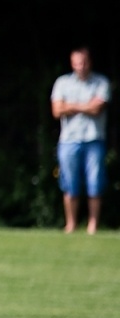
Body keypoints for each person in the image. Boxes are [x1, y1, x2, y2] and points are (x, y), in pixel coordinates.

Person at [51, 47, 109, 234]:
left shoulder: (101, 82)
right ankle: (71, 225)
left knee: (95, 183)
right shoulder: (62, 83)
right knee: (69, 184)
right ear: (72, 64)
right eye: (77, 63)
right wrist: (86, 105)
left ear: (89, 62)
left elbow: (97, 109)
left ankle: (93, 226)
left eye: (84, 62)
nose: (81, 66)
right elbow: (57, 111)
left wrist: (71, 106)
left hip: (94, 139)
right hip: (68, 141)